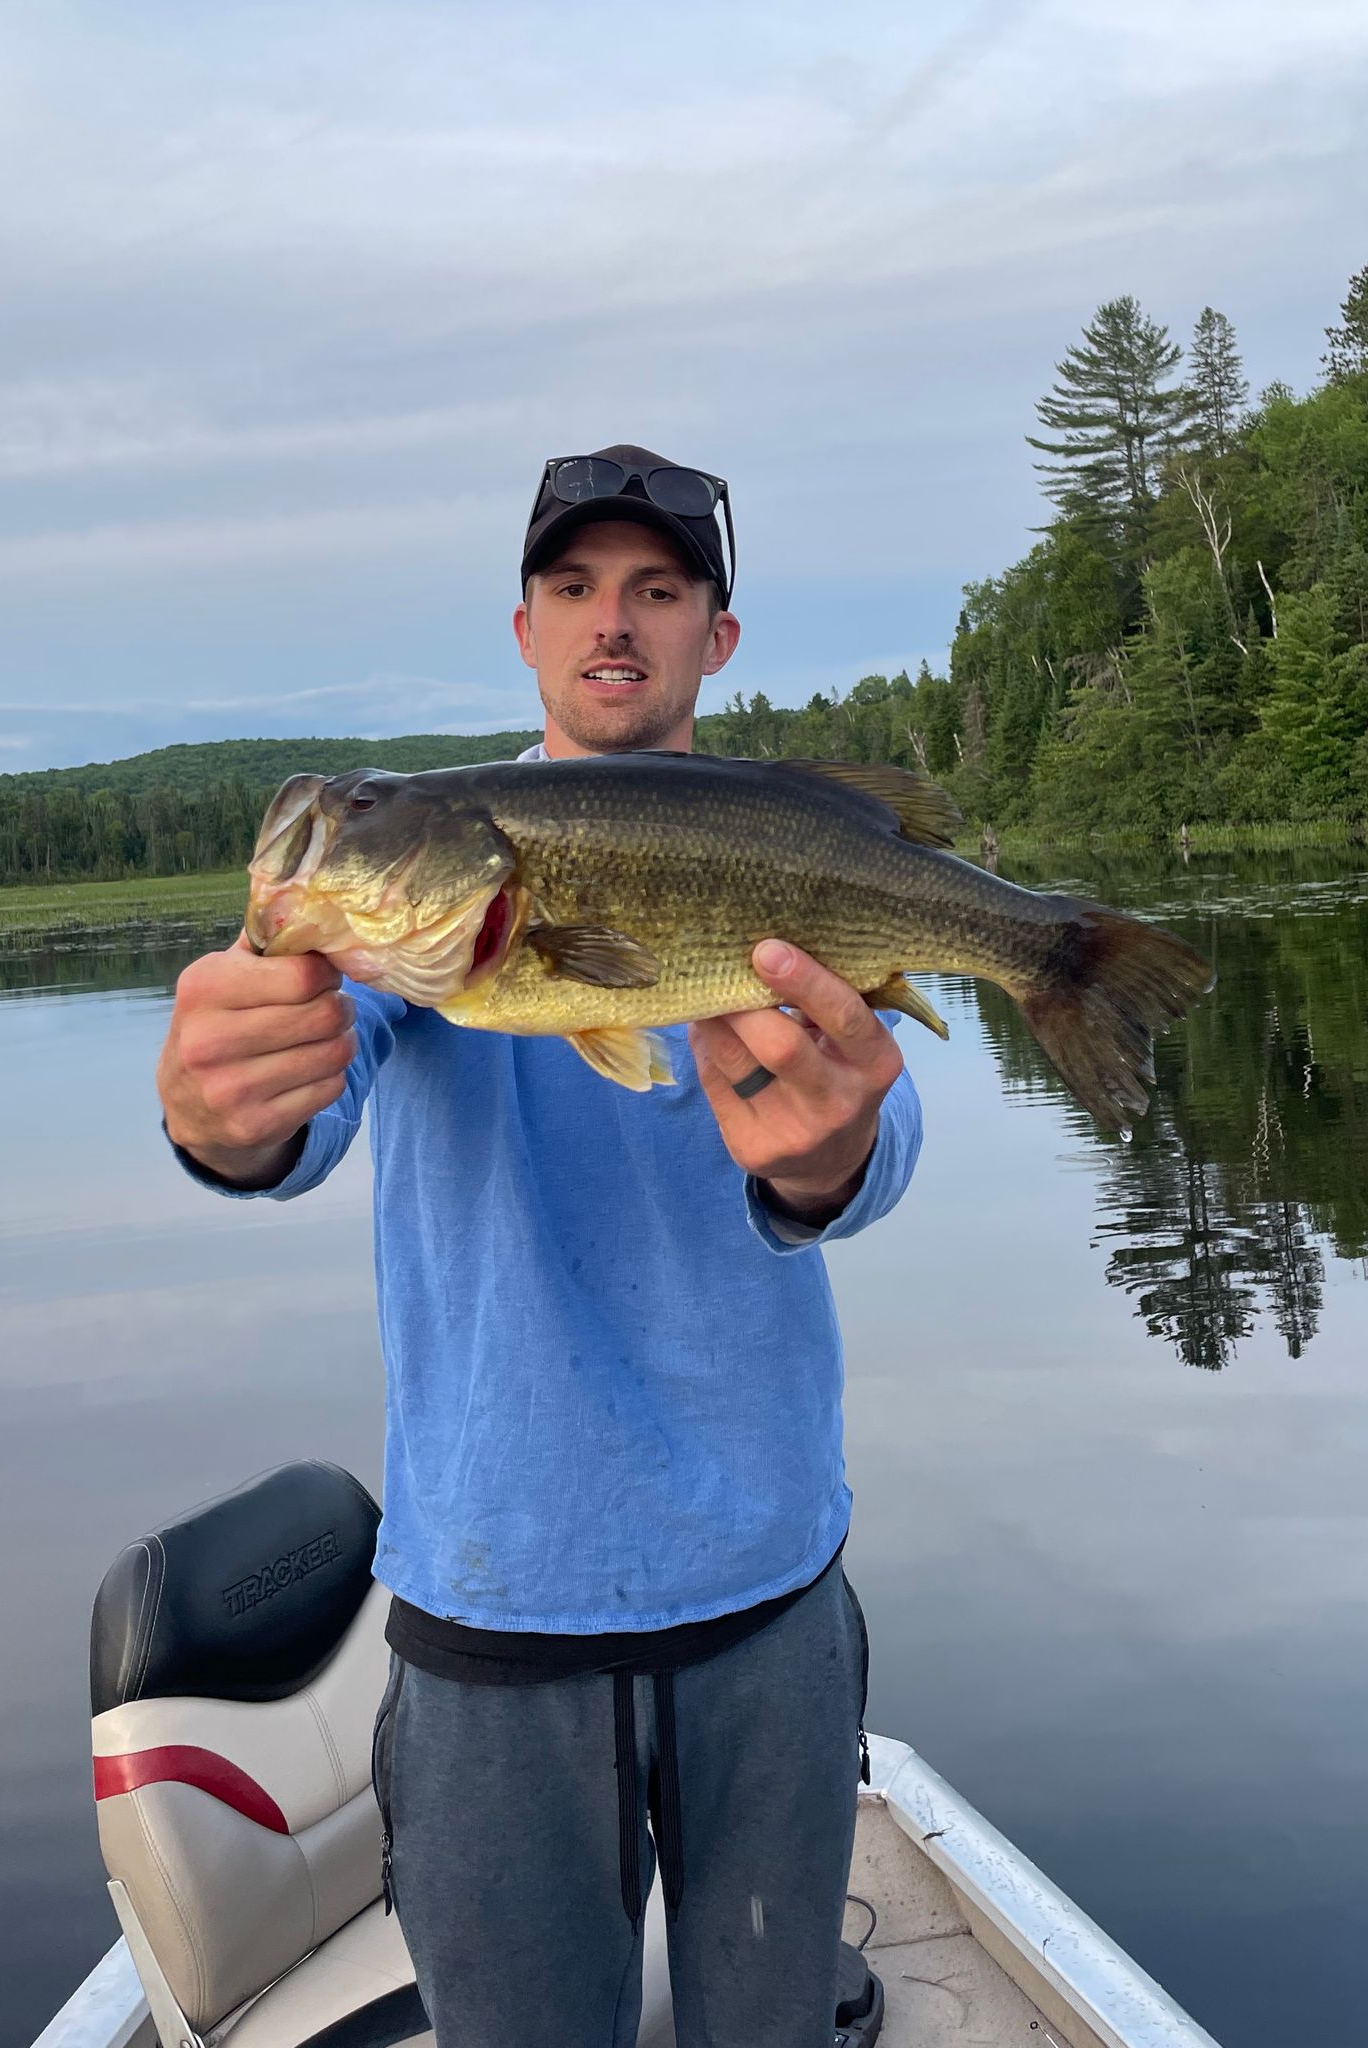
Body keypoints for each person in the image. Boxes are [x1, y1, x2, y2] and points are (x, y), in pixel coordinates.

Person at [156, 447, 922, 2048]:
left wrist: (832, 1156)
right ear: (524, 631)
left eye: (658, 588)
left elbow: (889, 1116)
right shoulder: (435, 863)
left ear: (719, 635)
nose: (612, 623)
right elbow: (304, 1095)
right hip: (493, 1602)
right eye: (574, 588)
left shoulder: (778, 838)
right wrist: (229, 1117)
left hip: (767, 1591)